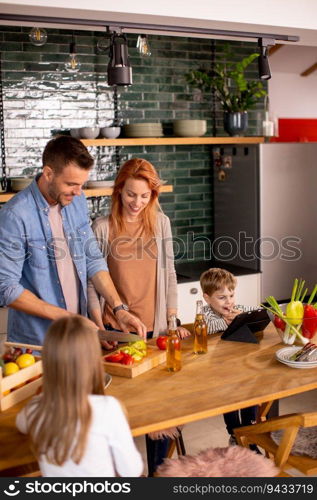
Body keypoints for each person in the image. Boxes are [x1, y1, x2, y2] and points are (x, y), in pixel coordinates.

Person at [87, 157, 190, 475]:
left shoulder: (161, 224)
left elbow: (170, 274)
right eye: (131, 194)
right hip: (116, 331)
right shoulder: (102, 227)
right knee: (121, 411)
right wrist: (98, 327)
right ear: (118, 191)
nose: (137, 202)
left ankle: (158, 472)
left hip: (155, 328)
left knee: (159, 409)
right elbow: (91, 282)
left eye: (144, 196)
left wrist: (172, 322)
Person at [0, 136, 146, 346]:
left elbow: (93, 259)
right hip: (39, 343)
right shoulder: (15, 215)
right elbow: (6, 288)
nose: (78, 192)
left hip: (78, 338)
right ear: (48, 173)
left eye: (81, 184)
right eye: (71, 184)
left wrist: (119, 309)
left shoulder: (76, 201)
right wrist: (67, 317)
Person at [16, 315, 144, 477]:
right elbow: (131, 471)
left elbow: (21, 424)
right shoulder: (108, 408)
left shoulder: (35, 408)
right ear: (93, 361)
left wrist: (40, 397)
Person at [200, 267, 260, 449]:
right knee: (230, 399)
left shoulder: (239, 309)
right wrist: (225, 322)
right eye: (222, 297)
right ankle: (234, 434)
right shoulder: (205, 313)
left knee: (251, 394)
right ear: (207, 298)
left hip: (242, 366)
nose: (229, 301)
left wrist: (243, 318)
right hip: (219, 369)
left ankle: (249, 433)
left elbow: (258, 315)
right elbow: (204, 327)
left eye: (231, 295)